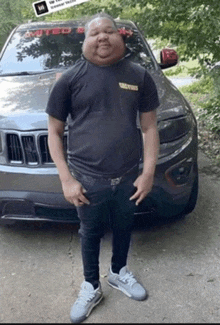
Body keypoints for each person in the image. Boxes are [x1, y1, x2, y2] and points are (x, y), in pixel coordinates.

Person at [46, 12, 160, 323]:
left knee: (124, 225)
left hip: (128, 175)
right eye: (95, 33)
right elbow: (53, 132)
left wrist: (148, 173)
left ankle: (118, 272)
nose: (102, 37)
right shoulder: (69, 80)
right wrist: (66, 179)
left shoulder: (139, 76)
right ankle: (91, 285)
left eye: (108, 31)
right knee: (90, 232)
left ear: (119, 36)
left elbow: (149, 128)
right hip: (86, 178)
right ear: (85, 41)